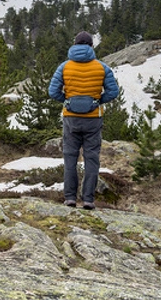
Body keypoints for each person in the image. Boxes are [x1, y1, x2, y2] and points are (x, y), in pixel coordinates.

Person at [48, 31, 119, 210]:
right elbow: (113, 92)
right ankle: (88, 200)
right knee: (92, 159)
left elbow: (53, 91)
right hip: (93, 119)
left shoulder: (64, 67)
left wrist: (68, 101)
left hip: (70, 118)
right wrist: (96, 102)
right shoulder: (101, 67)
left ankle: (70, 198)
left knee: (70, 159)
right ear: (91, 46)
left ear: (74, 45)